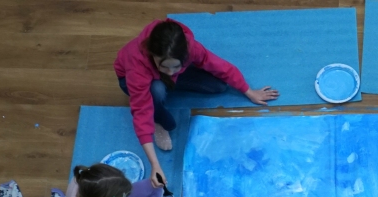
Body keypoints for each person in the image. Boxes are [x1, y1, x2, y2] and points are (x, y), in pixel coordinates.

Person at [114, 18, 279, 186]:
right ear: (153, 55)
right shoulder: (137, 64)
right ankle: (158, 118)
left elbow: (221, 66)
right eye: (164, 66)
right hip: (135, 81)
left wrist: (249, 92)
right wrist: (155, 165)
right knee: (157, 90)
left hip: (166, 74)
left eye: (175, 66)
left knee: (219, 86)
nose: (170, 72)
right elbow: (141, 112)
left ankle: (169, 82)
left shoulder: (190, 48)